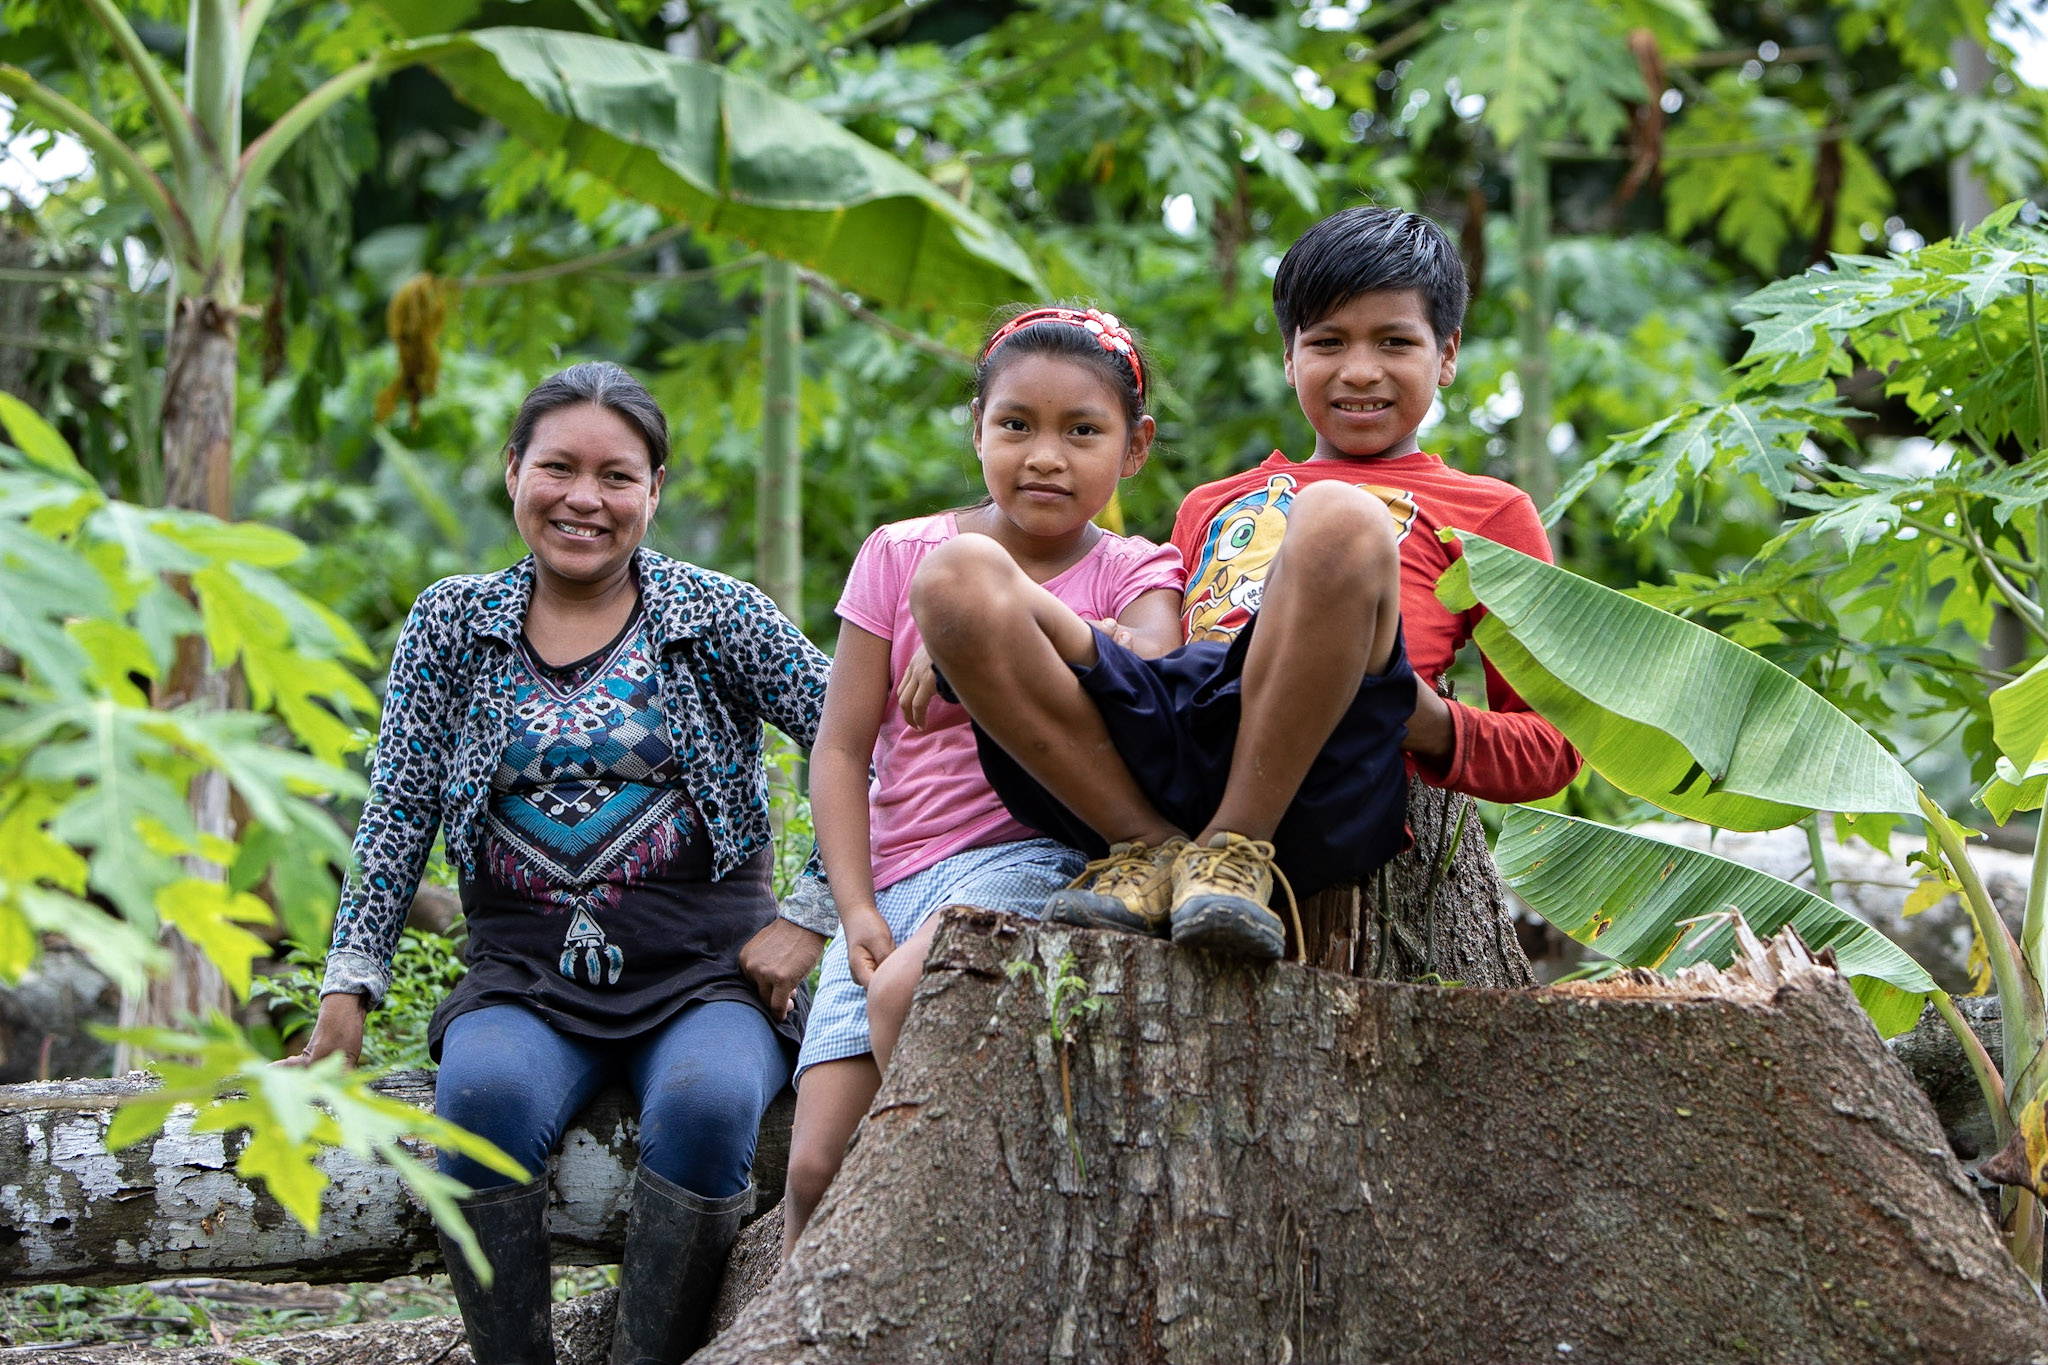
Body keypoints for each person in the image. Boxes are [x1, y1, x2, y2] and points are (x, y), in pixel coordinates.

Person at [286, 361, 833, 1365]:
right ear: (512, 472)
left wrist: (812, 911)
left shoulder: (721, 616)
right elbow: (399, 804)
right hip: (521, 981)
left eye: (617, 477)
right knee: (481, 1107)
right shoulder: (452, 625)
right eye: (558, 468)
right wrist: (347, 986)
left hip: (706, 977)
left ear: (653, 492)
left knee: (709, 1110)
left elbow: (866, 748)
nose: (585, 499)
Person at [915, 207, 1582, 960]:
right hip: (1174, 741)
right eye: (1328, 342)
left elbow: (1555, 745)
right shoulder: (1212, 502)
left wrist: (1419, 715)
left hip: (1325, 769)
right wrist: (968, 632)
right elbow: (1152, 653)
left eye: (1394, 342)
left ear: (1448, 353)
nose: (1359, 369)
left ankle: (1238, 846)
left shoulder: (1491, 511)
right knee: (954, 574)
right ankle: (1149, 846)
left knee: (1338, 517)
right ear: (1291, 358)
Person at [782, 306, 1185, 1254]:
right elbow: (841, 750)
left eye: (1082, 430)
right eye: (1017, 425)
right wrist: (853, 908)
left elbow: (1159, 673)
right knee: (808, 1172)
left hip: (1031, 855)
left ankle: (961, 1251)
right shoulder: (900, 553)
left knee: (898, 1011)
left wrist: (998, 617)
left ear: (1135, 449)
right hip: (891, 885)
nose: (1046, 455)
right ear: (977, 428)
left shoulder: (1135, 568)